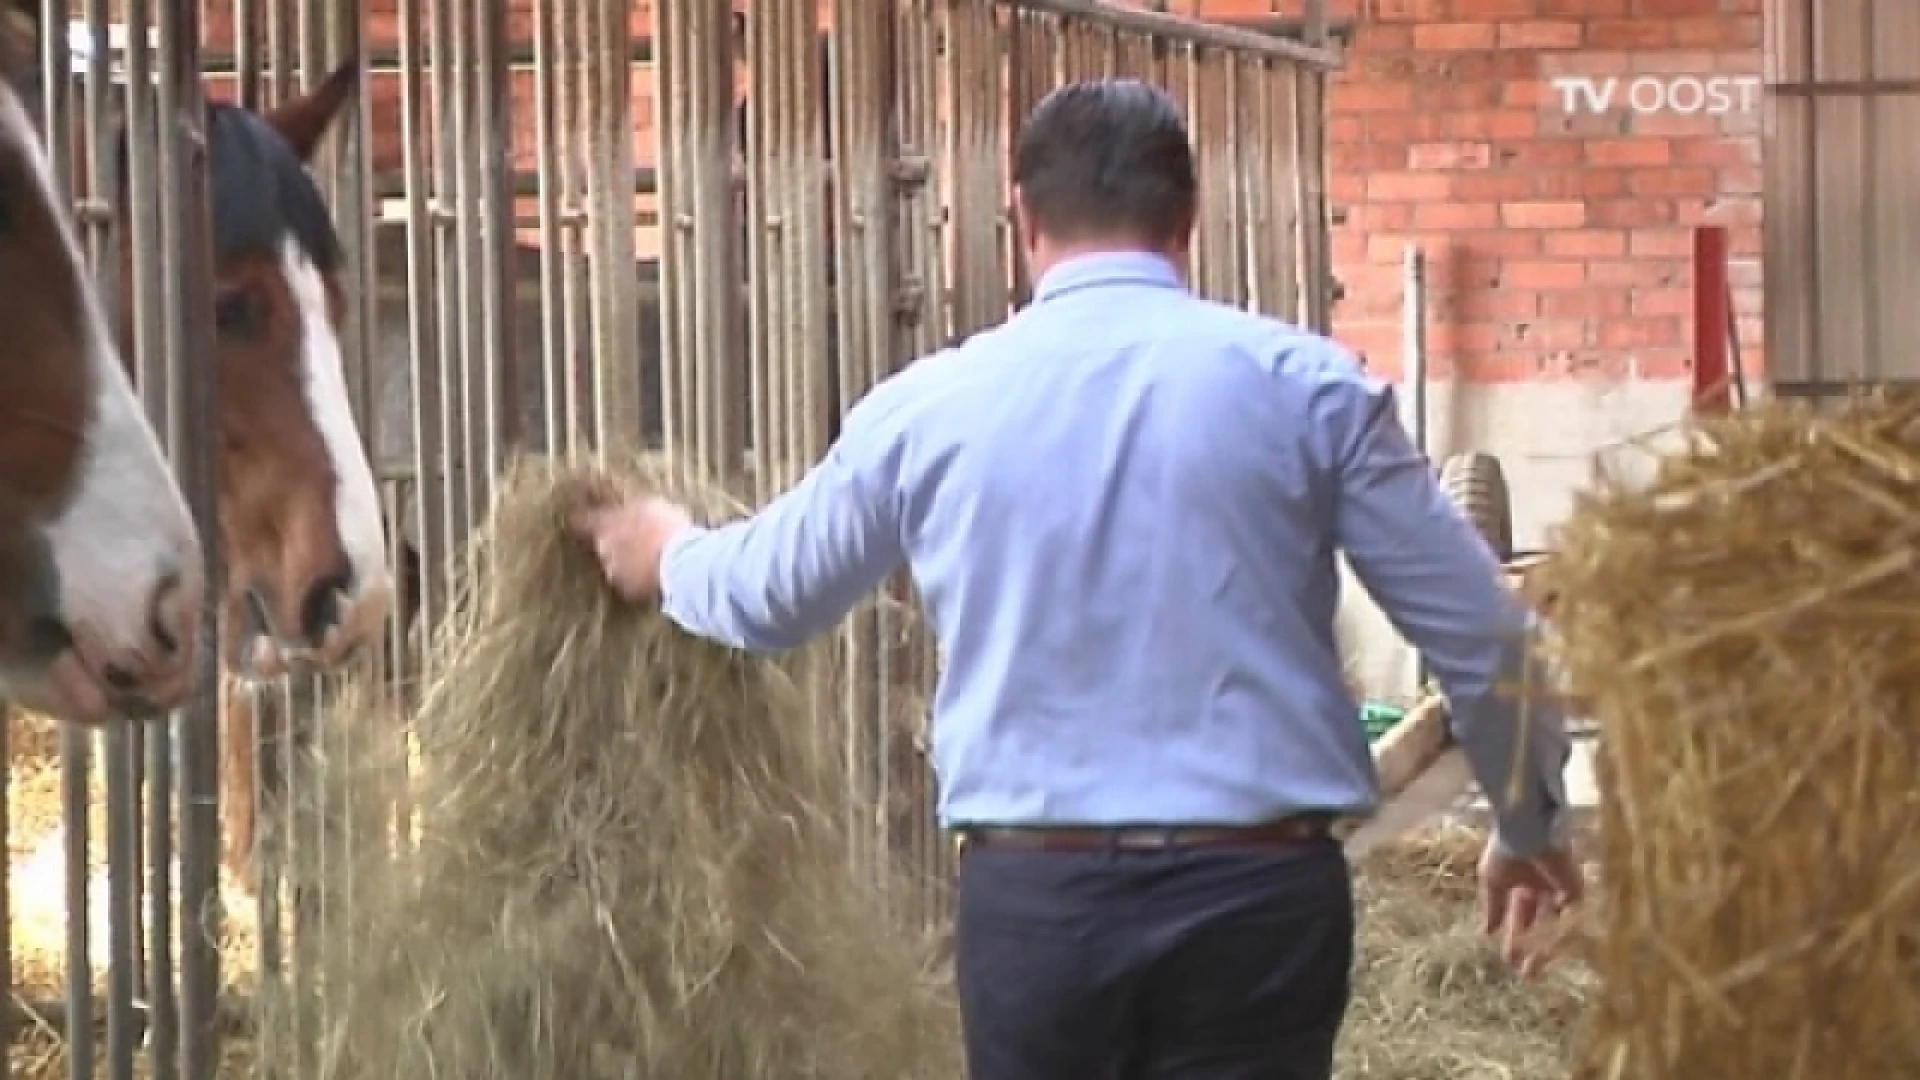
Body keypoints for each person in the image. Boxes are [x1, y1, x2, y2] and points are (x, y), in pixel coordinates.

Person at [573, 79, 1583, 1080]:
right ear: (1189, 218)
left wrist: (669, 552)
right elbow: (1485, 637)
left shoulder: (933, 407)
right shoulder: (1311, 391)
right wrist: (1525, 822)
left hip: (1038, 906)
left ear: (1021, 216)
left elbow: (776, 594)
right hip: (1258, 902)